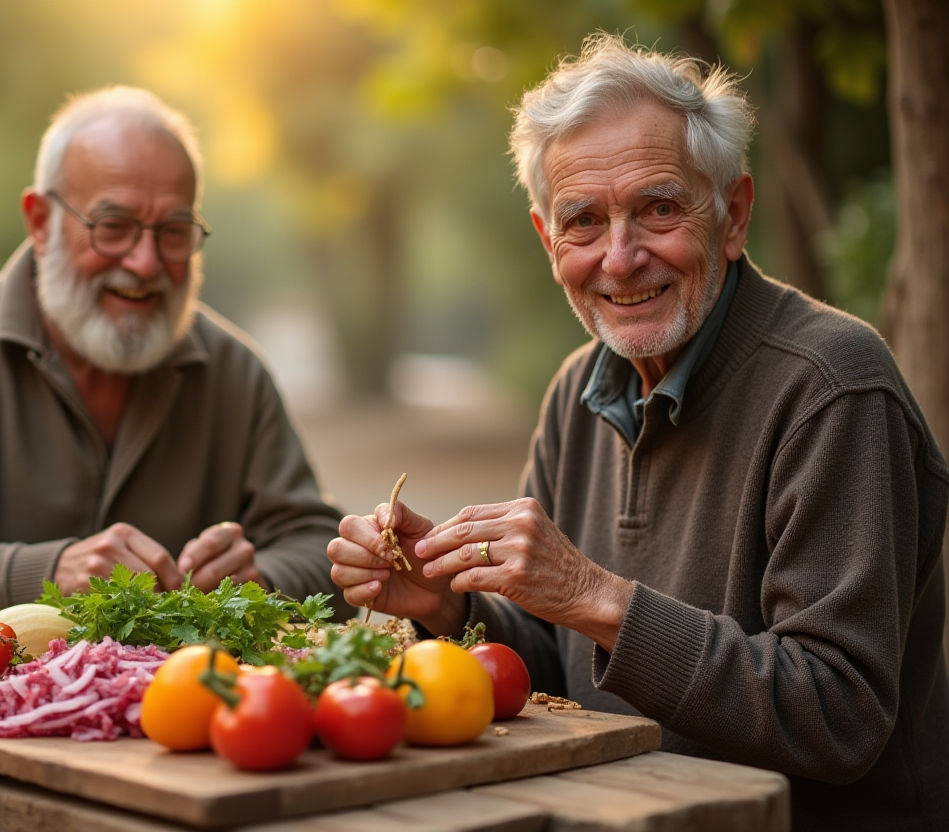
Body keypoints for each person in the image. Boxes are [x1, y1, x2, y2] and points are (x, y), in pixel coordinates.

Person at [328, 34, 949, 831]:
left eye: (659, 208)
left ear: (733, 214)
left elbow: (839, 716)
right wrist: (447, 609)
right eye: (583, 221)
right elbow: (563, 665)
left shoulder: (833, 386)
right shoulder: (574, 391)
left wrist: (597, 596)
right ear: (549, 242)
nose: (619, 260)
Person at [0, 85, 353, 649]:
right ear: (40, 221)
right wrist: (49, 576)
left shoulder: (234, 372)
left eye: (173, 232)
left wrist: (260, 580)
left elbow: (319, 547)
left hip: (175, 722)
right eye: (112, 226)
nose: (145, 263)